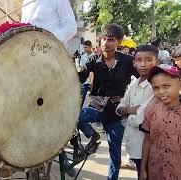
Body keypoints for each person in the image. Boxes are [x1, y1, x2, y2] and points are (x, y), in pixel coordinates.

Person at [78, 24, 138, 180]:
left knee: (115, 153)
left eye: (110, 39)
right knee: (77, 118)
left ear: (118, 41)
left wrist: (129, 100)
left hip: (116, 111)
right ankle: (94, 136)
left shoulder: (128, 61)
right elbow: (79, 78)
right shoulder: (93, 60)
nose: (105, 42)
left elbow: (143, 80)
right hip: (97, 107)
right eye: (103, 38)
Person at [139, 64, 181, 180]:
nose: (161, 92)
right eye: (156, 88)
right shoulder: (151, 111)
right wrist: (143, 169)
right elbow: (147, 140)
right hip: (156, 172)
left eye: (167, 86)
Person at [116, 45, 158, 178]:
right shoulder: (135, 82)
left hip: (148, 145)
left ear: (156, 61)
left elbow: (139, 118)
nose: (143, 64)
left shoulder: (156, 85)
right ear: (134, 63)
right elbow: (120, 107)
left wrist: (126, 111)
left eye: (149, 60)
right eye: (139, 60)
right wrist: (129, 110)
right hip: (135, 143)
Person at [76, 40, 96, 106]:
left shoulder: (95, 57)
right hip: (84, 80)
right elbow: (81, 67)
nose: (84, 49)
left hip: (92, 81)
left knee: (93, 101)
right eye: (84, 47)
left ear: (90, 47)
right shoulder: (83, 56)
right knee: (81, 98)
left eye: (86, 47)